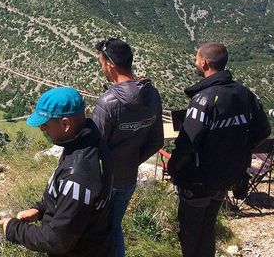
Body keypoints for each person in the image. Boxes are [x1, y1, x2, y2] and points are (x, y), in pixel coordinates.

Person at [168, 42, 271, 257]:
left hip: (198, 180)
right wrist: (239, 149)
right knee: (208, 229)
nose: (195, 62)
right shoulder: (244, 93)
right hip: (226, 176)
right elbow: (263, 129)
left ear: (204, 63)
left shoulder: (203, 100)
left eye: (196, 58)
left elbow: (187, 144)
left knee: (190, 234)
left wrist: (174, 167)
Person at [0, 87, 115, 257]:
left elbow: (58, 241)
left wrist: (13, 229)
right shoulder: (89, 140)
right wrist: (40, 209)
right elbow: (68, 201)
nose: (42, 130)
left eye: (45, 125)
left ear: (66, 124)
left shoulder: (77, 175)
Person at [92, 38, 164, 257]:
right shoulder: (152, 95)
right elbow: (156, 141)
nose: (102, 68)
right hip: (128, 178)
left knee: (95, 231)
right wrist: (131, 160)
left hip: (105, 181)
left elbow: (94, 148)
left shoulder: (107, 103)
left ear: (110, 65)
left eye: (101, 64)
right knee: (115, 228)